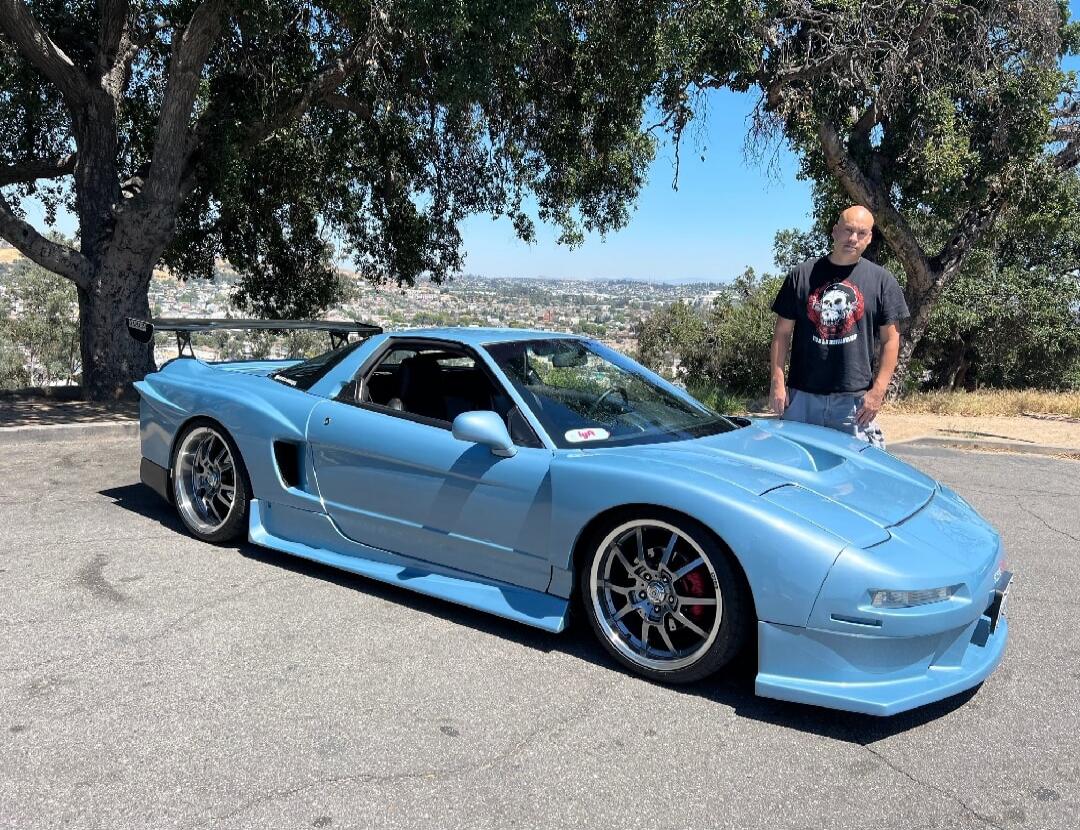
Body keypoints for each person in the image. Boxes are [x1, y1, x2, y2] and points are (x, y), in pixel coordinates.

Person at [769, 205, 909, 447]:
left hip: (853, 402)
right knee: (798, 470)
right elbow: (782, 334)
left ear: (870, 238)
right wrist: (777, 382)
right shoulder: (801, 275)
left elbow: (891, 340)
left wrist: (878, 391)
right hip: (802, 398)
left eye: (862, 233)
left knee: (853, 476)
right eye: (848, 230)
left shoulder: (881, 281)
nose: (853, 238)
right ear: (835, 232)